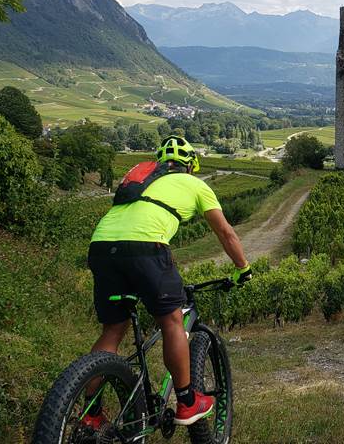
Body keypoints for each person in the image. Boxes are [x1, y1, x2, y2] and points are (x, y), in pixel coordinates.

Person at [82, 136, 251, 429]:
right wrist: (243, 268)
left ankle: (90, 415)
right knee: (172, 320)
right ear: (191, 166)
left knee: (112, 331)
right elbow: (226, 233)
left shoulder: (142, 178)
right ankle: (187, 402)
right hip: (147, 248)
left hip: (101, 247)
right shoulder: (196, 185)